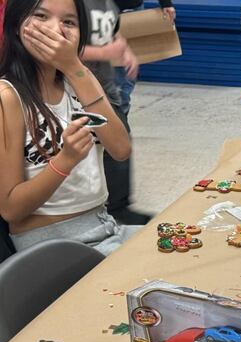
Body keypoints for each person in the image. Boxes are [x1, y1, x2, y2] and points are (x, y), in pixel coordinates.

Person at [0, 0, 139, 255]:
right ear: (17, 25)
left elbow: (120, 149)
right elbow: (10, 208)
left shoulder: (78, 80)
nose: (57, 29)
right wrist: (65, 160)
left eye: (69, 22)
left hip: (105, 226)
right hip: (52, 247)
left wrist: (75, 67)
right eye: (41, 16)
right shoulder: (8, 97)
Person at [80, 0, 149, 225]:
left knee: (121, 143)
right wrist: (105, 52)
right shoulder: (73, 5)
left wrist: (126, 50)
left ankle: (118, 206)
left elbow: (114, 32)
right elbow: (65, 49)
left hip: (106, 92)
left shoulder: (109, 4)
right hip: (77, 93)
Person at [114, 0, 175, 116]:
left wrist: (166, 3)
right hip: (94, 11)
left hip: (130, 10)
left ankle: (119, 123)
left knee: (123, 80)